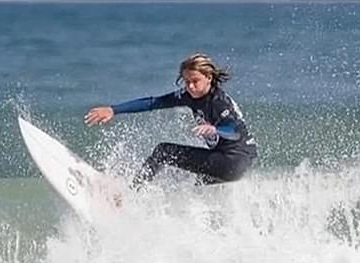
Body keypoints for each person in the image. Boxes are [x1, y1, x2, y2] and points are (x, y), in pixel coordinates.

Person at [84, 53, 258, 190]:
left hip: (231, 160)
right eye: (187, 81)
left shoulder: (218, 102)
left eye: (195, 81)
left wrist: (215, 129)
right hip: (236, 166)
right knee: (185, 181)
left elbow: (233, 130)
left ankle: (131, 194)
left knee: (163, 152)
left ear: (209, 78)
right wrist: (114, 110)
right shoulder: (189, 96)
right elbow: (154, 102)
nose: (190, 86)